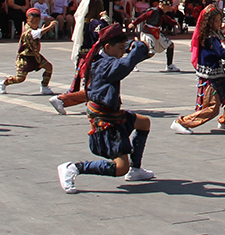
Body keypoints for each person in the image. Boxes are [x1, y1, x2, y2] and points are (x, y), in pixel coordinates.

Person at [58, 23, 156, 192]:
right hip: (105, 119)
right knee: (120, 168)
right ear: (108, 47)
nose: (122, 52)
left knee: (143, 123)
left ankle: (136, 169)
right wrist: (139, 47)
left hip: (112, 113)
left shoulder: (106, 59)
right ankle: (74, 167)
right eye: (120, 48)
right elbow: (125, 66)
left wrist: (137, 50)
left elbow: (127, 61)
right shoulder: (104, 65)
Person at [172, 7, 225, 133]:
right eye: (216, 21)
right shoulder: (209, 37)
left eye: (220, 20)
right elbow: (223, 53)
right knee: (213, 107)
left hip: (218, 74)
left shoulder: (215, 34)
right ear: (209, 22)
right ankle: (182, 122)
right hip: (210, 78)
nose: (219, 23)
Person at [0, 8, 60, 96]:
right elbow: (36, 34)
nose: (34, 23)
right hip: (25, 57)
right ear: (28, 20)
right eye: (32, 21)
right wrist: (49, 27)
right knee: (20, 78)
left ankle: (44, 86)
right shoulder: (27, 31)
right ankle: (4, 82)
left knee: (48, 67)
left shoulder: (36, 28)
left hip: (35, 56)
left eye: (37, 21)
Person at [132, 0, 181, 72]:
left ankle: (169, 65)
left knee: (170, 45)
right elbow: (143, 17)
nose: (169, 9)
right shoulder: (153, 11)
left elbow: (166, 18)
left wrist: (174, 23)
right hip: (148, 32)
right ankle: (132, 64)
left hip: (156, 32)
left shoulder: (162, 13)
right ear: (162, 5)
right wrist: (134, 23)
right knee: (150, 52)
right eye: (168, 7)